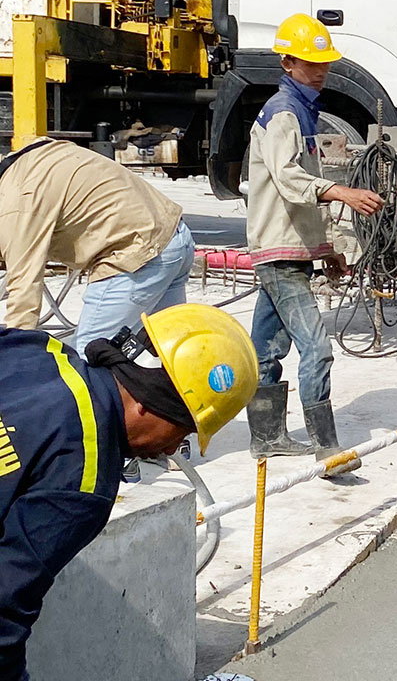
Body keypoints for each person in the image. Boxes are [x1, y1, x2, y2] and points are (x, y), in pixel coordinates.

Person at [0, 303, 258, 680]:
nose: (172, 450)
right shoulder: (83, 480)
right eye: (182, 432)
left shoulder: (39, 350)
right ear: (145, 405)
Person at [245, 13, 382, 474]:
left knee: (265, 350)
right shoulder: (284, 113)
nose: (320, 70)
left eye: (323, 62)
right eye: (309, 62)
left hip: (286, 249)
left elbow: (303, 196)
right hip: (279, 254)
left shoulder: (301, 112)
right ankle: (326, 447)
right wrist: (343, 192)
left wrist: (327, 249)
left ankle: (267, 439)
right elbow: (289, 180)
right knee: (317, 348)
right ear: (287, 62)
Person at [0, 138, 195, 350]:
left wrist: (14, 358)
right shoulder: (29, 158)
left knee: (88, 356)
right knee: (167, 355)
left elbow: (24, 295)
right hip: (175, 237)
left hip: (139, 256)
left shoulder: (16, 207)